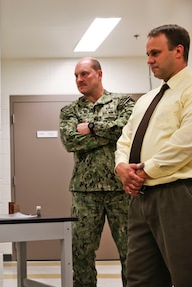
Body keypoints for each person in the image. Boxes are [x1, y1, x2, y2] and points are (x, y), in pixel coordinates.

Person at [115, 24, 192, 287]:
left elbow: (186, 142)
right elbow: (125, 138)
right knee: (139, 278)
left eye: (155, 53)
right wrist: (122, 168)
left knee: (185, 274)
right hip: (141, 197)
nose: (149, 60)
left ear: (178, 50)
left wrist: (145, 170)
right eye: (148, 54)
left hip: (177, 194)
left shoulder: (190, 89)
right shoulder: (146, 99)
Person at [59, 57, 134, 287]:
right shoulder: (70, 110)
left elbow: (126, 129)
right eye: (76, 76)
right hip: (84, 192)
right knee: (81, 254)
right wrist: (108, 133)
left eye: (84, 74)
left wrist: (90, 128)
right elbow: (70, 141)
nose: (79, 80)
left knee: (131, 252)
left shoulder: (124, 103)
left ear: (99, 74)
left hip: (121, 188)